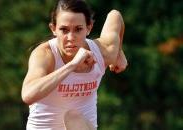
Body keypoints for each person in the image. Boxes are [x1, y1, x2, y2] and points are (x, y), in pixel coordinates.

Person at [21, 0, 127, 130]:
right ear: (53, 29)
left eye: (78, 29)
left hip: (81, 126)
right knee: (73, 116)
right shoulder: (45, 55)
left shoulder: (103, 52)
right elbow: (28, 95)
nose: (71, 37)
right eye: (64, 30)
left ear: (89, 28)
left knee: (73, 117)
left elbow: (115, 15)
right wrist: (72, 65)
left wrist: (118, 52)